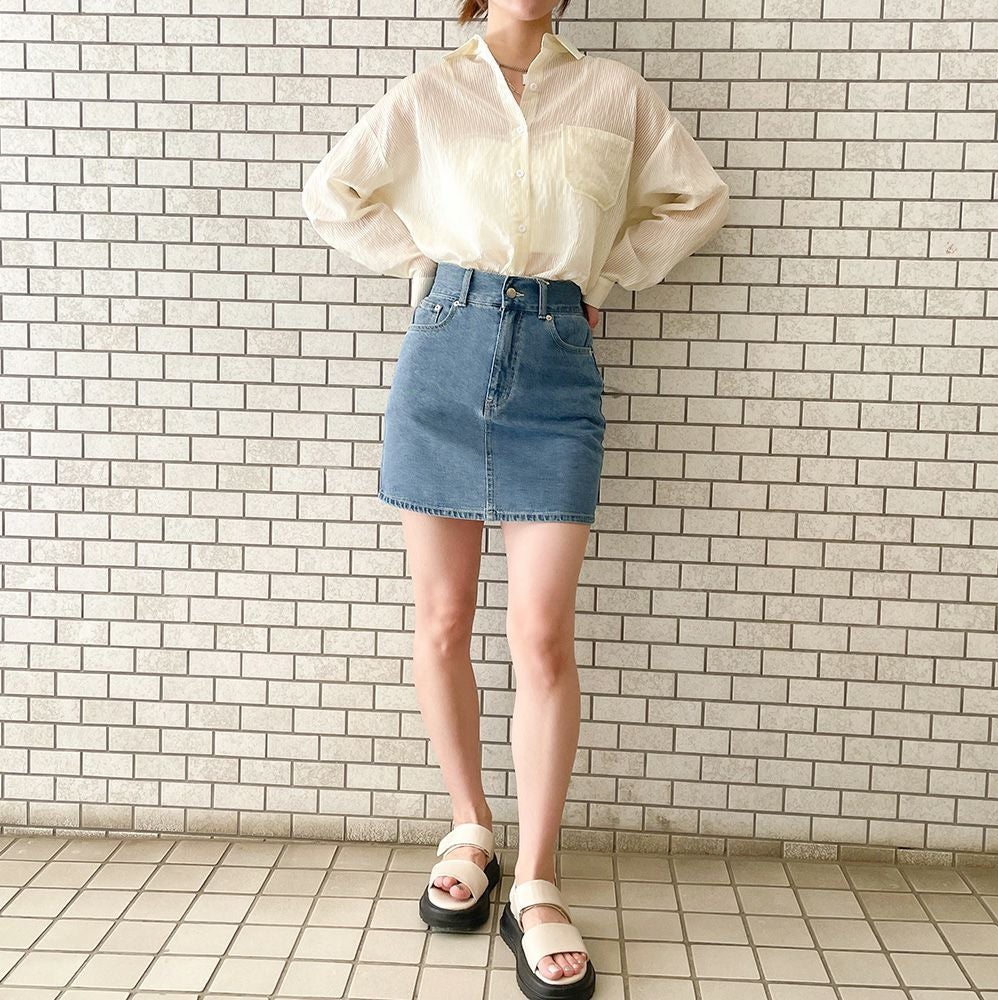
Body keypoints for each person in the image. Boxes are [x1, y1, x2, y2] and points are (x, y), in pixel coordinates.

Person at [301, 2, 729, 996]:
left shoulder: (613, 92)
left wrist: (609, 275)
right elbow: (333, 193)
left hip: (559, 360)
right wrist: (426, 266)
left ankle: (536, 878)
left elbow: (697, 199)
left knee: (540, 635)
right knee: (442, 617)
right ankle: (469, 829)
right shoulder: (432, 93)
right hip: (442, 356)